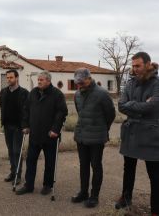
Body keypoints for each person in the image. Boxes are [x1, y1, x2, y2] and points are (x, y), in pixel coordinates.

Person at [115, 52, 159, 216]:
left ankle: (156, 209)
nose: (135, 69)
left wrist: (131, 106)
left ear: (148, 64)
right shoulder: (130, 83)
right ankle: (126, 198)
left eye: (138, 66)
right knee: (129, 168)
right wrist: (139, 105)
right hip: (132, 131)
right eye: (133, 66)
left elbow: (153, 106)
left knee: (154, 174)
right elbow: (121, 105)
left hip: (151, 135)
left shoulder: (156, 84)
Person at [16, 71, 68, 195]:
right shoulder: (33, 93)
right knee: (30, 161)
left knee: (50, 162)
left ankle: (47, 185)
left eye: (42, 80)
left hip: (50, 135)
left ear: (48, 81)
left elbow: (61, 113)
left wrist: (55, 130)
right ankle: (29, 185)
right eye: (38, 79)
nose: (39, 81)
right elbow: (26, 110)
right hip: (34, 134)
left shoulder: (57, 94)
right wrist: (25, 125)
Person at [71, 68, 116, 208]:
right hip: (81, 136)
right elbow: (81, 113)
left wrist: (102, 128)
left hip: (97, 137)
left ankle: (94, 196)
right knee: (83, 166)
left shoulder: (102, 94)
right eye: (77, 83)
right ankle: (83, 192)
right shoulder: (77, 94)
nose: (79, 85)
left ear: (89, 79)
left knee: (96, 166)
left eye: (82, 82)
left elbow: (111, 115)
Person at [0, 69, 29, 184]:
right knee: (10, 151)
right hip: (7, 126)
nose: (9, 80)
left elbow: (27, 111)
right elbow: (2, 106)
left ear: (17, 78)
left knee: (17, 151)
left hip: (19, 127)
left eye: (11, 77)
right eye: (7, 77)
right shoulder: (3, 92)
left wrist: (26, 125)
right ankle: (12, 173)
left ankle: (18, 175)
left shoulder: (24, 93)